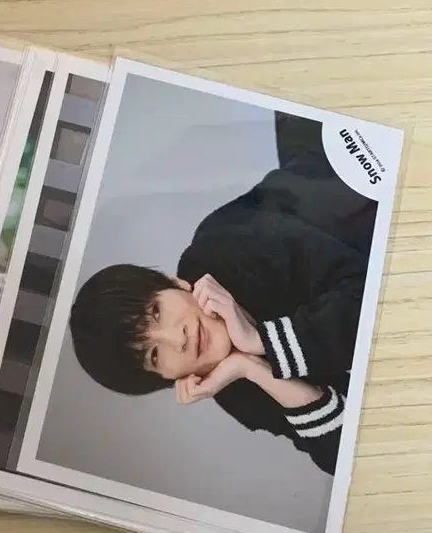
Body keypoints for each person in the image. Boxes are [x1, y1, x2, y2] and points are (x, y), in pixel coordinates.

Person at [69, 114, 376, 477]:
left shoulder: (222, 252)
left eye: (155, 312)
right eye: (154, 354)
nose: (178, 339)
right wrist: (255, 369)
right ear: (166, 379)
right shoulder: (234, 389)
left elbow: (369, 295)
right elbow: (352, 455)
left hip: (347, 172)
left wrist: (260, 340)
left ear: (174, 282)